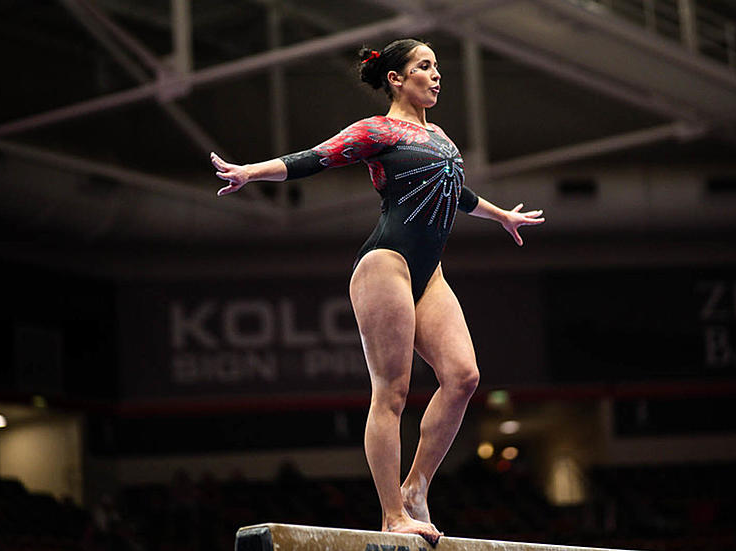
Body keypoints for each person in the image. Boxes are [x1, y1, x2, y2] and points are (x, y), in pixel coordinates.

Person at [211, 38, 545, 543]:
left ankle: (416, 487)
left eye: (437, 67)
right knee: (392, 392)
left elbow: (456, 192)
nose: (436, 75)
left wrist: (500, 215)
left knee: (463, 377)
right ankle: (392, 512)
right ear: (396, 78)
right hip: (386, 264)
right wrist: (249, 172)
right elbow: (315, 158)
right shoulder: (378, 131)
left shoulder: (443, 139)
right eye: (424, 67)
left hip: (429, 272)